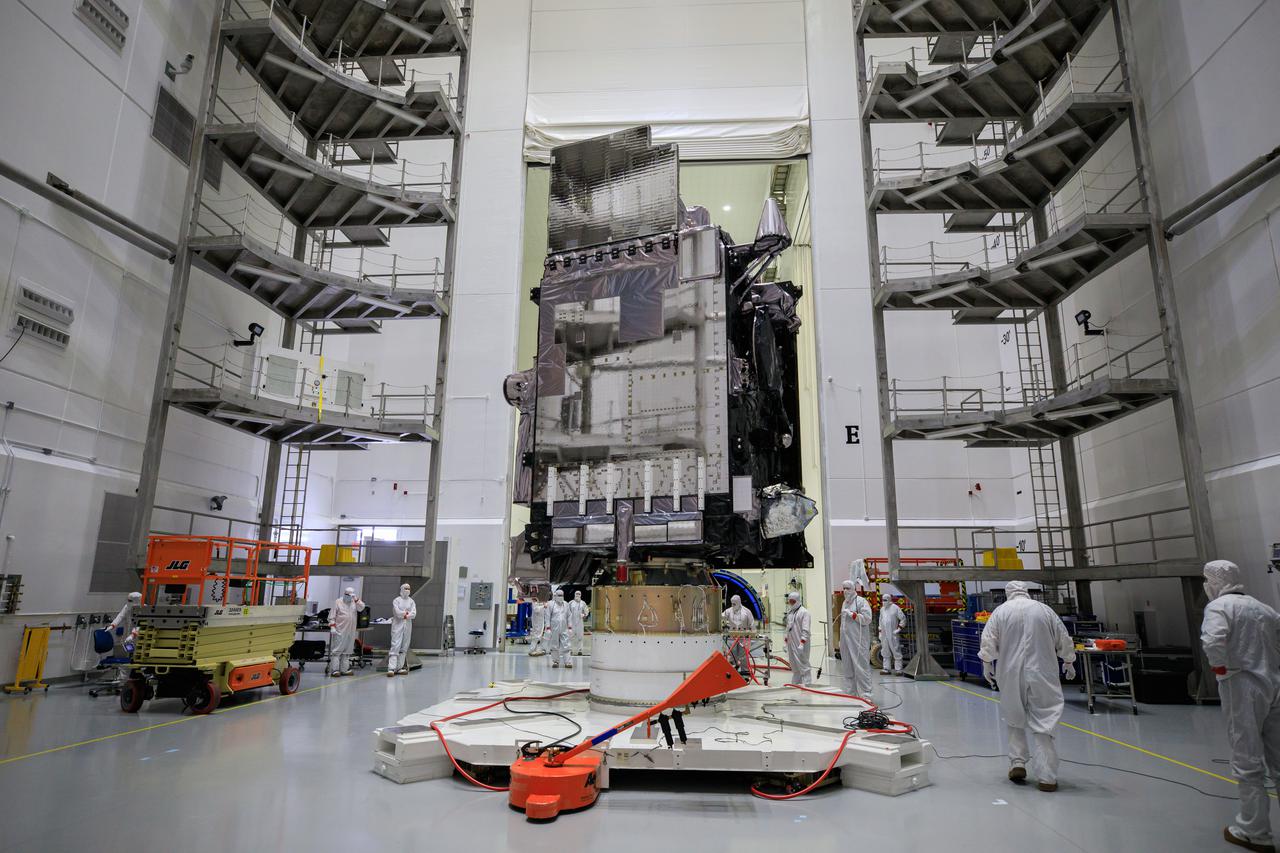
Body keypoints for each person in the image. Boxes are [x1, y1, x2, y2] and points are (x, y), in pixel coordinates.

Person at [1200, 559, 1280, 852]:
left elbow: (1213, 641)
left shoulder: (1219, 608)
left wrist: (1220, 668)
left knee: (1247, 759)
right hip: (1274, 683)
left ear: (1215, 582)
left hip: (1242, 685)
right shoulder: (1264, 608)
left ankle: (1254, 830)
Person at [979, 580, 1076, 792]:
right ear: (1026, 592)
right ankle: (1047, 777)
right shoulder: (1045, 611)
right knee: (1044, 721)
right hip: (1042, 671)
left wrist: (986, 662)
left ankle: (1018, 763)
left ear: (1008, 593)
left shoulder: (1001, 612)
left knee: (1014, 718)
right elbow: (1063, 638)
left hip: (1010, 673)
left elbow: (988, 642)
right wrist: (1068, 660)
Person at [838, 580, 873, 697]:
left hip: (858, 641)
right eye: (844, 588)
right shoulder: (845, 603)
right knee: (847, 668)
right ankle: (851, 694)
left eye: (848, 588)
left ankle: (866, 695)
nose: (845, 591)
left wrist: (853, 615)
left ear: (854, 589)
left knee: (861, 668)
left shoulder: (861, 602)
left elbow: (867, 619)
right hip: (845, 641)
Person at [329, 587, 364, 677]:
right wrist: (332, 627)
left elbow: (362, 608)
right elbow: (332, 616)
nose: (350, 597)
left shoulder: (354, 602)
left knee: (347, 651)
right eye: (348, 595)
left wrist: (356, 600)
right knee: (337, 651)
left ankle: (344, 670)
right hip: (340, 630)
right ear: (344, 594)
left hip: (350, 631)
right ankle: (335, 670)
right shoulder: (338, 602)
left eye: (352, 595)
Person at [387, 584, 416, 677]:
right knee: (395, 645)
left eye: (409, 589)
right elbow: (397, 612)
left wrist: (406, 615)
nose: (407, 590)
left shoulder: (411, 601)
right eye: (405, 588)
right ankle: (391, 668)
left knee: (404, 647)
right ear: (401, 589)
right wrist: (406, 613)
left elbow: (414, 613)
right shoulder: (397, 600)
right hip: (397, 625)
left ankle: (399, 668)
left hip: (407, 625)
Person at [722, 594, 757, 673]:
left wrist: (753, 634)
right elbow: (721, 617)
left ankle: (745, 672)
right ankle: (732, 672)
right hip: (732, 637)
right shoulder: (728, 611)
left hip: (743, 637)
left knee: (743, 656)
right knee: (732, 655)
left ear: (739, 602)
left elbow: (752, 623)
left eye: (735, 603)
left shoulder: (746, 611)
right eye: (732, 603)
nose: (733, 605)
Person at [784, 591, 812, 686]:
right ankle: (796, 683)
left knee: (803, 664)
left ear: (797, 601)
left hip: (800, 644)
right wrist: (785, 642)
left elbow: (805, 630)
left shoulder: (804, 612)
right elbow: (788, 628)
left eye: (793, 601)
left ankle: (807, 684)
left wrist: (802, 643)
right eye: (789, 601)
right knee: (794, 665)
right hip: (791, 643)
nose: (791, 603)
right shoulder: (790, 613)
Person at [879, 595, 905, 675]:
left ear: (889, 600)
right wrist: (880, 632)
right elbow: (880, 621)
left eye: (885, 600)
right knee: (885, 650)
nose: (884, 602)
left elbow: (903, 618)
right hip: (884, 634)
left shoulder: (895, 608)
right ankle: (886, 668)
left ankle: (898, 669)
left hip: (892, 634)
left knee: (896, 650)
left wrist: (898, 629)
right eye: (882, 600)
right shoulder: (882, 609)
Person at [546, 588, 572, 669]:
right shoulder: (551, 604)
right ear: (555, 596)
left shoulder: (566, 604)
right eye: (559, 595)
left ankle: (568, 662)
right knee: (554, 645)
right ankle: (555, 661)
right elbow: (547, 616)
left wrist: (570, 627)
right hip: (554, 629)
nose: (560, 597)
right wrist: (548, 628)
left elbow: (569, 616)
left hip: (564, 628)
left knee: (566, 645)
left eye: (562, 595)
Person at [568, 590, 590, 655]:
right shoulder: (571, 603)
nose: (577, 595)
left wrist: (584, 614)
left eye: (579, 594)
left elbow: (586, 610)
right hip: (572, 622)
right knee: (570, 637)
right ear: (574, 594)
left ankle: (580, 650)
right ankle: (570, 649)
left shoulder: (583, 603)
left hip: (580, 622)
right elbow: (567, 611)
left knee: (580, 637)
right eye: (576, 594)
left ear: (581, 595)